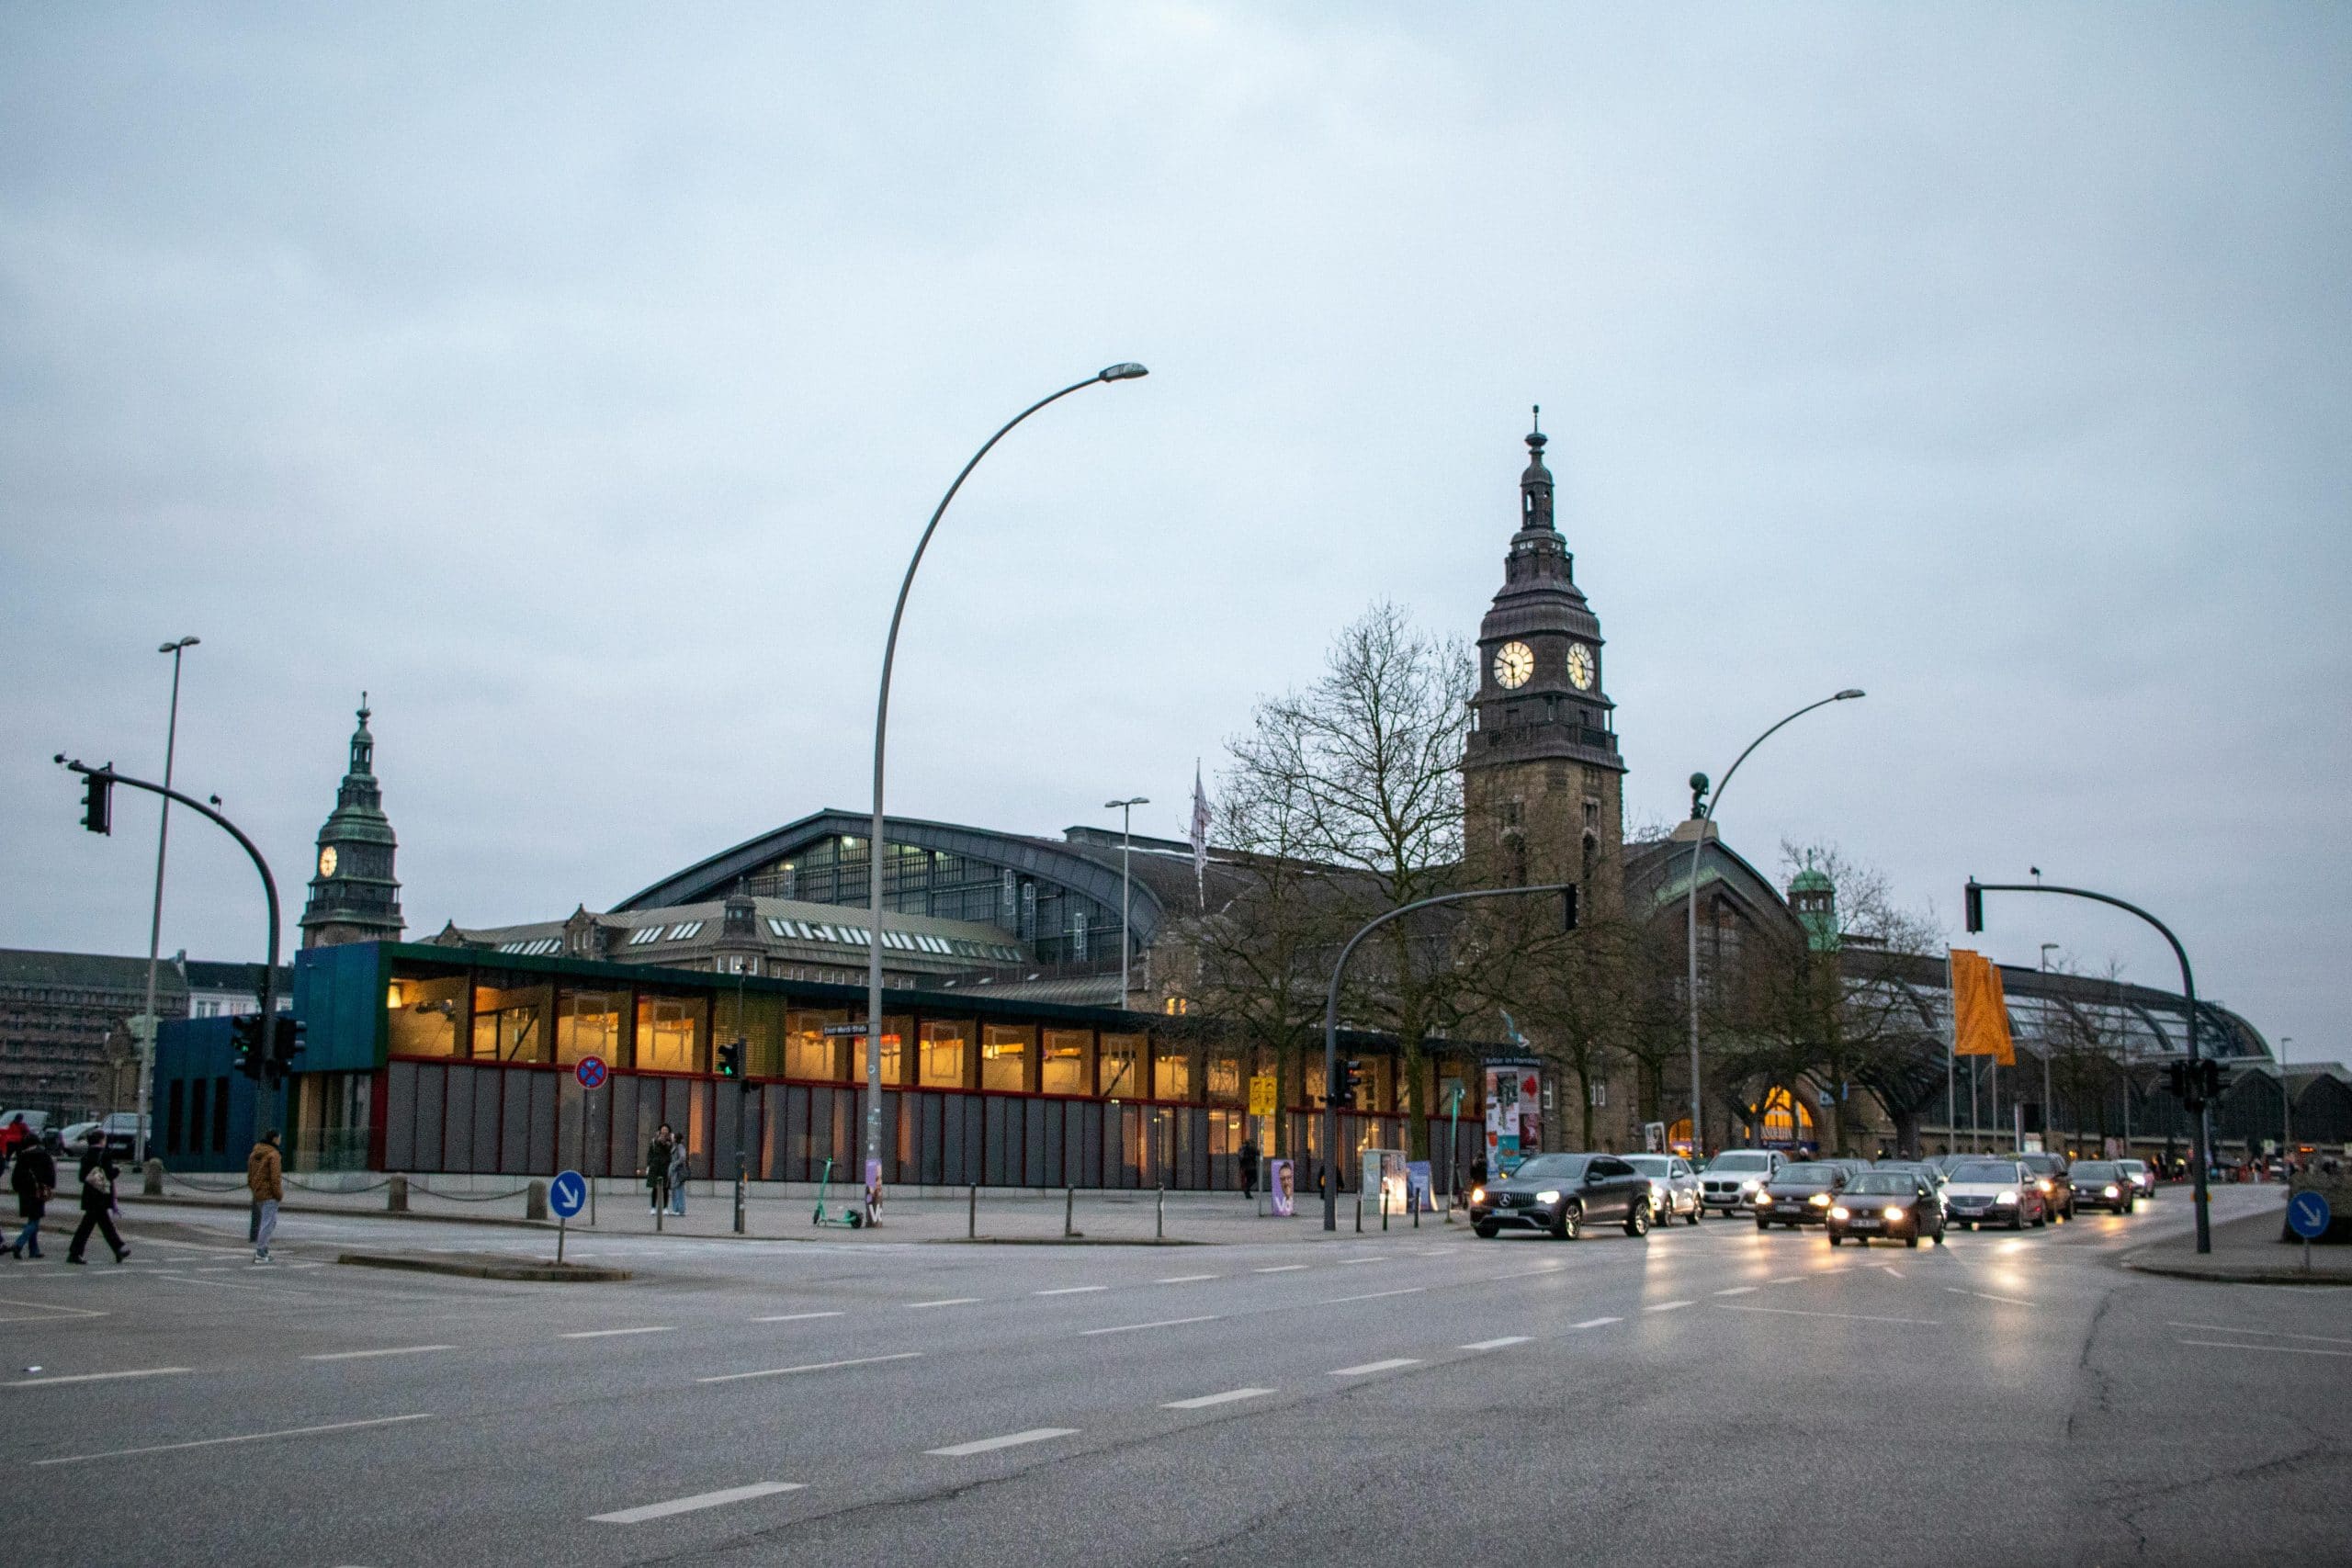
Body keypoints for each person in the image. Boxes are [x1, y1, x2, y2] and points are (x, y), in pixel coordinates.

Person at [66, 1135, 128, 1265]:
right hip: (101, 1195)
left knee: (101, 1225)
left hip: (90, 1195)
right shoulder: (104, 1155)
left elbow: (82, 1177)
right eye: (104, 1139)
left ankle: (118, 1248)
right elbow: (110, 1174)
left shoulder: (87, 1155)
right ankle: (75, 1253)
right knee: (92, 1226)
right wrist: (117, 1170)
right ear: (101, 1141)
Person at [9, 1134, 54, 1258]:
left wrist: (18, 1188)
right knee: (35, 1220)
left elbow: (15, 1177)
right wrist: (49, 1186)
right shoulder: (44, 1155)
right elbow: (50, 1174)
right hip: (38, 1191)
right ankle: (18, 1244)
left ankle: (34, 1250)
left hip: (24, 1192)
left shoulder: (23, 1156)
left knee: (33, 1219)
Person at [247, 1129, 285, 1263]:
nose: (280, 1140)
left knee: (270, 1221)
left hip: (258, 1193)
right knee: (268, 1223)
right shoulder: (274, 1155)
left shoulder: (254, 1153)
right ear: (275, 1139)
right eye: (279, 1138)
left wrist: (255, 1189)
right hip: (270, 1193)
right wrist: (279, 1194)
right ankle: (261, 1252)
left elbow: (250, 1176)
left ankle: (264, 1249)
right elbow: (275, 1177)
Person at [644, 1124, 673, 1215]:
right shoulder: (653, 1141)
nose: (664, 1131)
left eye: (666, 1130)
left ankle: (665, 1208)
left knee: (665, 1189)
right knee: (655, 1189)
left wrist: (664, 1142)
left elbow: (668, 1149)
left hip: (665, 1167)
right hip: (655, 1167)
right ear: (660, 1131)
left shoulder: (670, 1141)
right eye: (663, 1129)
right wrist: (649, 1165)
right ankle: (653, 1207)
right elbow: (650, 1154)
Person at [667, 1134, 688, 1217]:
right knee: (675, 1190)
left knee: (679, 1191)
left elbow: (682, 1157)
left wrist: (674, 1165)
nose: (672, 1138)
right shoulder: (675, 1146)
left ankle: (681, 1209)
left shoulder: (680, 1147)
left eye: (673, 1137)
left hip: (678, 1172)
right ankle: (676, 1209)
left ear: (676, 1139)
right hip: (674, 1172)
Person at [1238, 1135, 1260, 1201]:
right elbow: (1258, 1153)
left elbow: (1240, 1158)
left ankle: (1247, 1194)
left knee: (1248, 1179)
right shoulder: (1251, 1148)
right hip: (1251, 1167)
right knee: (1254, 1179)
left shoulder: (1242, 1148)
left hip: (1245, 1167)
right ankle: (1246, 1189)